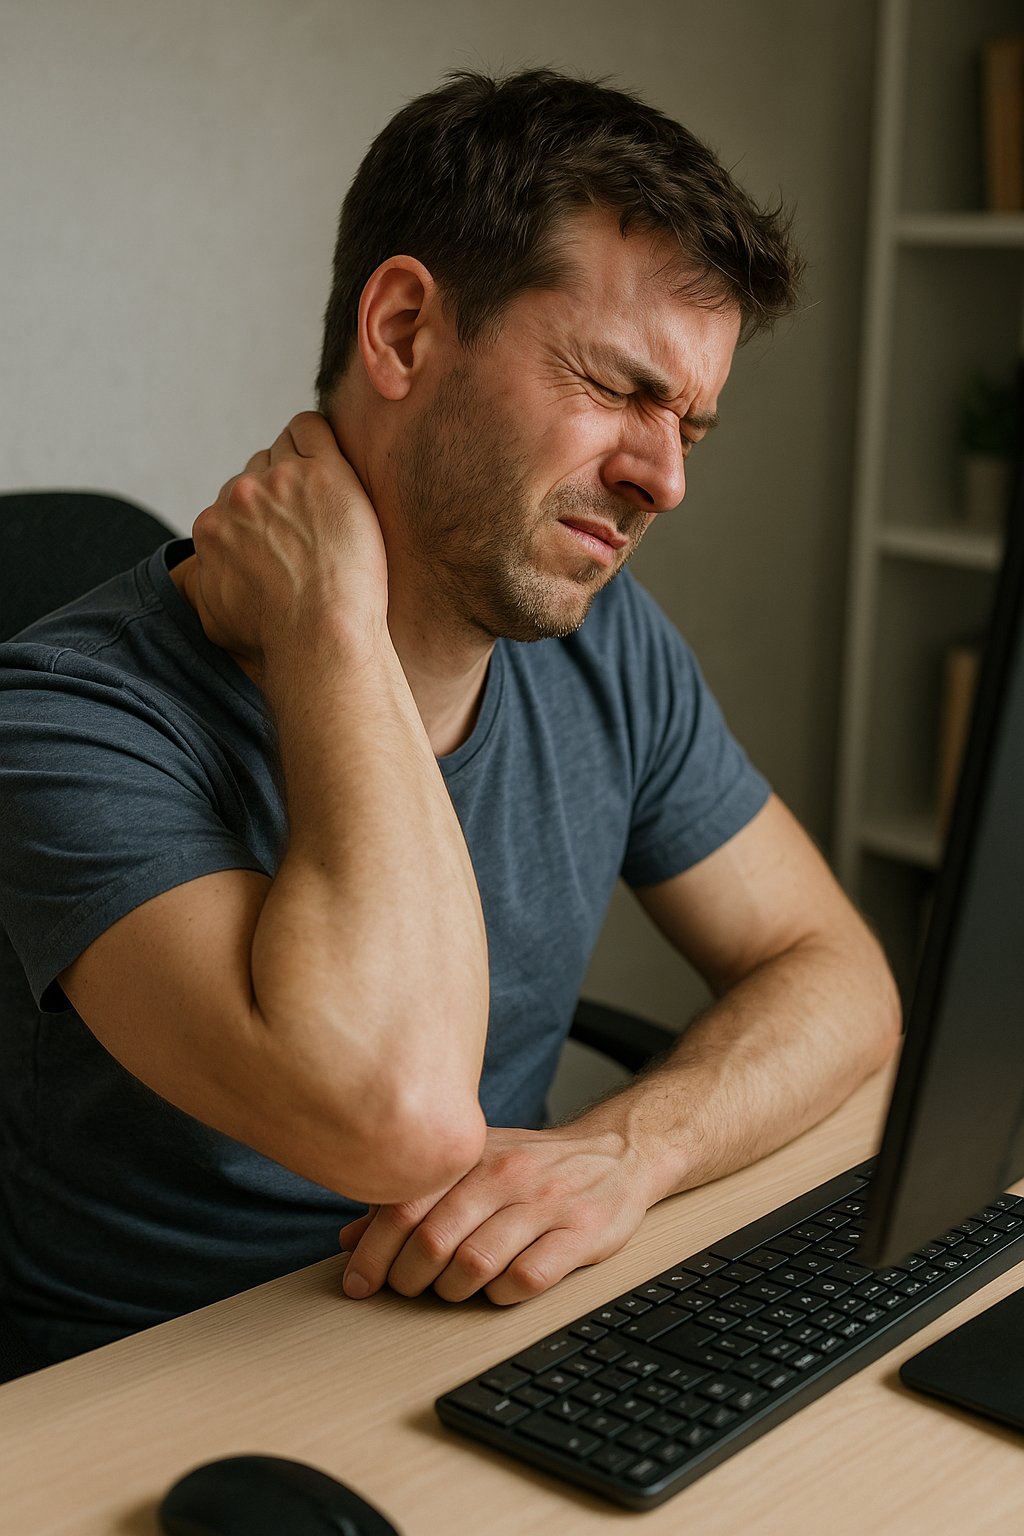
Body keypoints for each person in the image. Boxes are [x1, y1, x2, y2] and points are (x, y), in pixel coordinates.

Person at [0, 69, 899, 1364]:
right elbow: (401, 1121)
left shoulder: (607, 645)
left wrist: (629, 1150)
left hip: (473, 1334)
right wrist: (332, 624)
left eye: (690, 426)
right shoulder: (65, 717)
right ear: (406, 329)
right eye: (617, 386)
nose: (664, 479)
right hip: (142, 1394)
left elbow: (843, 978)